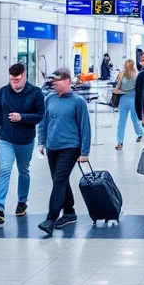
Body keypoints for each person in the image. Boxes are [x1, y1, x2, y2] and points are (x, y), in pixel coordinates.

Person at [0, 62, 45, 223]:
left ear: (24, 75)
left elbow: (40, 115)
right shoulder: (4, 92)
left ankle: (22, 201)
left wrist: (22, 117)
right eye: (12, 79)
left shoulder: (36, 93)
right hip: (5, 138)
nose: (14, 83)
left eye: (17, 79)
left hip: (25, 140)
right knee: (4, 169)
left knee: (23, 171)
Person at [37, 68, 91, 236]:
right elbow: (43, 122)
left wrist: (85, 151)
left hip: (70, 147)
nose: (54, 84)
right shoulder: (49, 99)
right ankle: (69, 212)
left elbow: (85, 127)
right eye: (52, 82)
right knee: (60, 180)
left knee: (59, 181)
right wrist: (41, 142)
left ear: (67, 80)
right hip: (52, 147)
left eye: (57, 81)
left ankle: (51, 219)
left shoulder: (78, 101)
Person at [113, 59, 143, 150]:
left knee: (125, 120)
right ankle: (121, 140)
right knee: (131, 120)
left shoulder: (125, 75)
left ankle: (121, 141)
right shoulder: (136, 75)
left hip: (127, 98)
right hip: (129, 99)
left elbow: (117, 88)